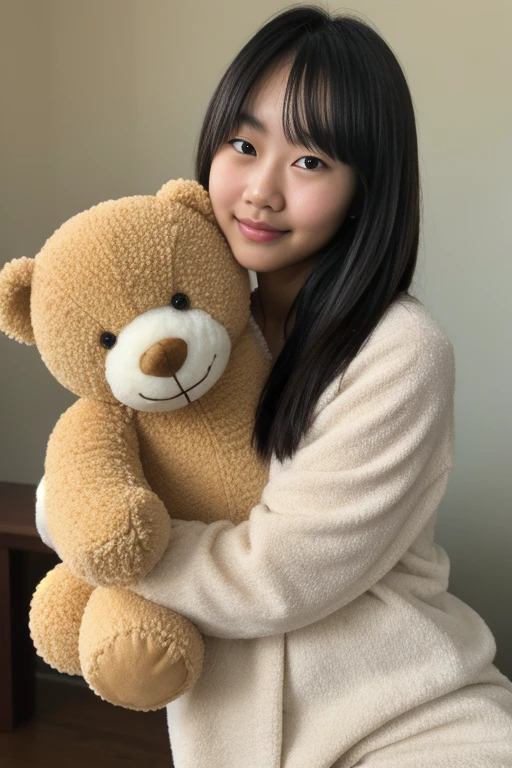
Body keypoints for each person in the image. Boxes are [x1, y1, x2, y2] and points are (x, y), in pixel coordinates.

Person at [131, 6, 512, 766]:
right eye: (243, 144)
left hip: (408, 725)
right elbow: (96, 467)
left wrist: (113, 546)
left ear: (365, 188)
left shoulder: (401, 350)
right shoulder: (189, 339)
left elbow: (277, 576)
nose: (260, 191)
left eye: (310, 162)